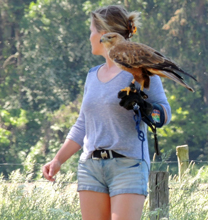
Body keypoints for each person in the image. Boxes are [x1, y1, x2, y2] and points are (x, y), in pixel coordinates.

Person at [42, 5, 171, 220]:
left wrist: (147, 108)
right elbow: (82, 125)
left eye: (91, 31)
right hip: (90, 166)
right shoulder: (92, 76)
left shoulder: (141, 69)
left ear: (103, 34)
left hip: (128, 164)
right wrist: (57, 160)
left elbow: (164, 116)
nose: (90, 37)